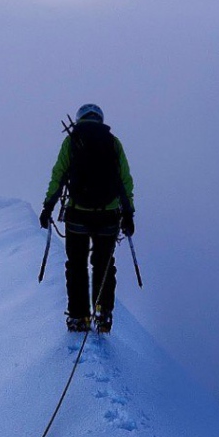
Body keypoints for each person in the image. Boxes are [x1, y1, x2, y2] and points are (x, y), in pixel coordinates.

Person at [39, 104, 135, 333]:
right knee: (104, 265)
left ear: (79, 119)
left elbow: (58, 175)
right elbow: (125, 180)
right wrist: (128, 213)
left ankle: (78, 317)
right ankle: (102, 313)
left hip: (77, 214)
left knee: (76, 266)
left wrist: (48, 206)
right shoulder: (113, 142)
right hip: (108, 216)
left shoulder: (72, 141)